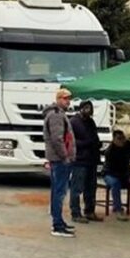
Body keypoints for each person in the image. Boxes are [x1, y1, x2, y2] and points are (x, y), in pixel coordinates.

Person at [42, 89, 77, 237]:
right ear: (58, 99)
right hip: (60, 160)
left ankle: (59, 221)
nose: (68, 101)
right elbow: (57, 139)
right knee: (59, 192)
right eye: (65, 98)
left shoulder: (58, 114)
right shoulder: (56, 116)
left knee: (58, 191)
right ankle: (57, 225)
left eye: (69, 99)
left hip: (58, 159)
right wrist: (65, 156)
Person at [68, 100, 104, 223]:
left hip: (92, 159)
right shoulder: (74, 122)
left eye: (91, 108)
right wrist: (86, 143)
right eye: (87, 108)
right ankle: (75, 213)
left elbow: (94, 136)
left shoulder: (90, 122)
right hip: (80, 160)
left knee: (91, 188)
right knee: (77, 188)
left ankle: (89, 211)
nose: (89, 110)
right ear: (81, 108)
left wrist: (97, 144)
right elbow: (70, 141)